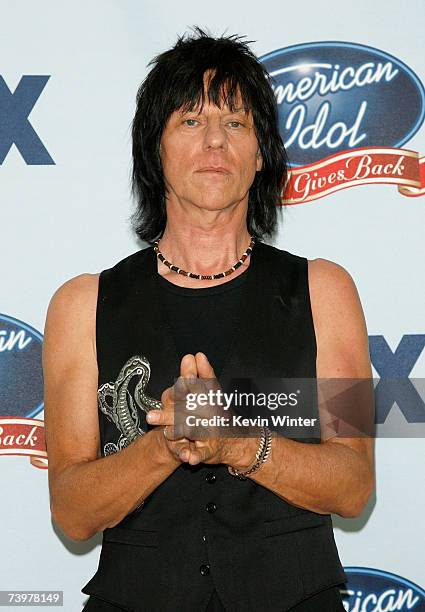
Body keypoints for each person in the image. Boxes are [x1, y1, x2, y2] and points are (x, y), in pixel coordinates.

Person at [43, 27, 375, 612]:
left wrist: (238, 445)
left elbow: (353, 485)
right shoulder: (82, 305)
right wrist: (166, 445)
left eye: (237, 123)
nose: (215, 142)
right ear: (156, 149)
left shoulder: (324, 291)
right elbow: (71, 511)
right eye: (190, 121)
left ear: (261, 155)